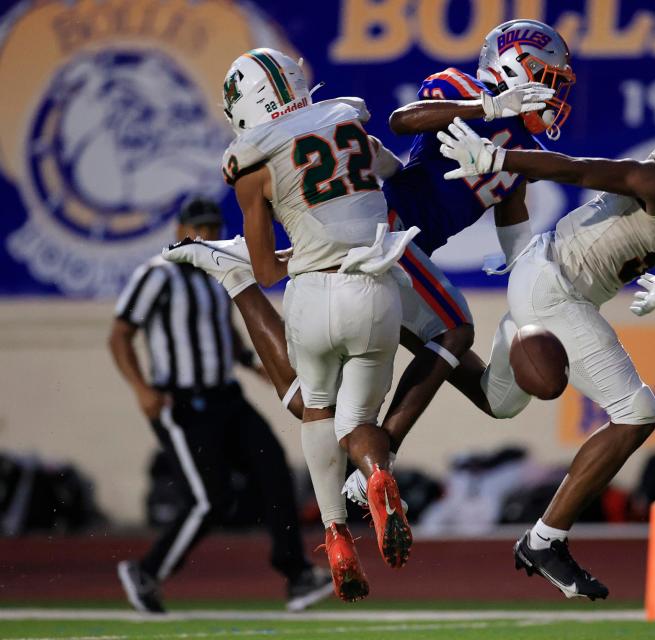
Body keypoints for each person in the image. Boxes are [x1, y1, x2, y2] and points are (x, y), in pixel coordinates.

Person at [166, 21, 574, 509]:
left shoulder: (527, 151)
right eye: (546, 77)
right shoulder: (461, 88)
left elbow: (513, 214)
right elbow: (405, 119)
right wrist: (486, 106)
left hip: (409, 250)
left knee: (322, 408)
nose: (552, 92)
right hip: (393, 230)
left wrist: (522, 268)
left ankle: (238, 275)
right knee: (455, 332)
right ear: (510, 68)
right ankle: (382, 459)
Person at [436, 83, 655, 599]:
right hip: (552, 279)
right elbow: (585, 170)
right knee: (636, 411)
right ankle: (544, 540)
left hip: (565, 291)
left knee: (499, 400)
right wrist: (498, 157)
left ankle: (429, 339)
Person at [213, 47, 423, 602]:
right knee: (359, 423)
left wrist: (303, 253)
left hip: (310, 296)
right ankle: (377, 476)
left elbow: (263, 270)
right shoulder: (346, 119)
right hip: (375, 290)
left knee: (317, 409)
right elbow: (391, 168)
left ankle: (334, 534)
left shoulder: (250, 164)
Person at [108, 198, 333, 614]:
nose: (207, 236)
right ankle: (148, 571)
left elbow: (221, 332)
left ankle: (296, 572)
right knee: (210, 498)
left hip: (226, 396)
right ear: (179, 230)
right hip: (182, 402)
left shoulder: (213, 274)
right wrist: (141, 388)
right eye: (199, 228)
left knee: (273, 470)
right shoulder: (156, 275)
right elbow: (120, 335)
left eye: (213, 227)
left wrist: (252, 364)